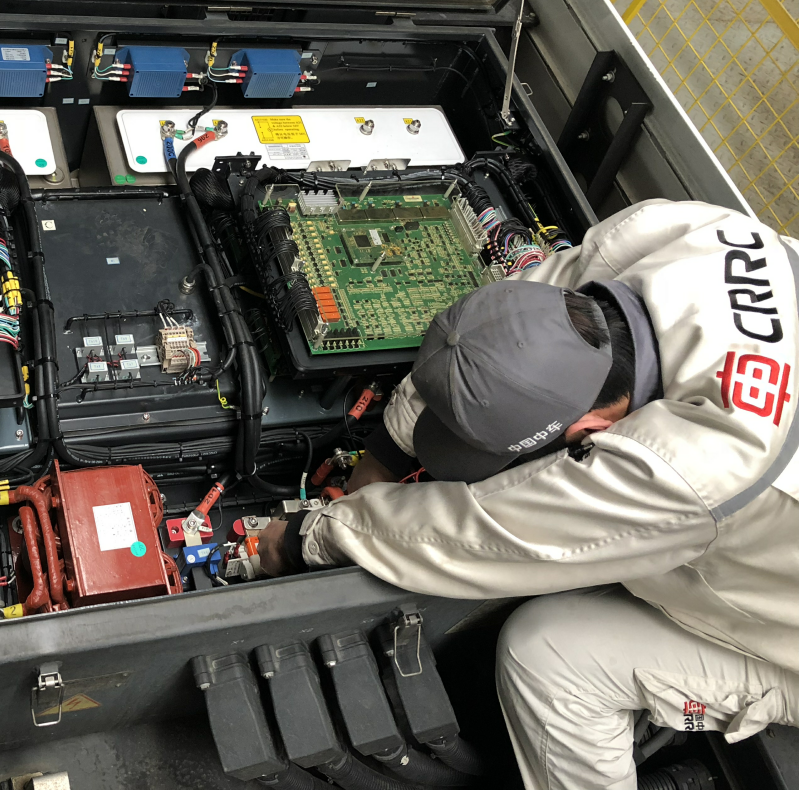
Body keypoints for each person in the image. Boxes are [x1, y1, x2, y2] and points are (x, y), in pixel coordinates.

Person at [259, 197, 799, 790]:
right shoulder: (672, 234)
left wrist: (309, 537)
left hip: (783, 644)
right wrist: (386, 450)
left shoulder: (694, 462)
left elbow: (479, 537)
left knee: (550, 658)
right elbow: (485, 338)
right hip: (757, 550)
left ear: (592, 431)